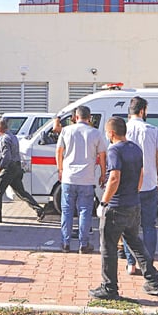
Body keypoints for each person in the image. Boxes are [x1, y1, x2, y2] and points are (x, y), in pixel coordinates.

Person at [88, 117, 158, 300]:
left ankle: (109, 287)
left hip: (116, 206)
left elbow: (114, 177)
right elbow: (141, 174)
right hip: (133, 204)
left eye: (107, 133)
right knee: (135, 242)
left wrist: (104, 202)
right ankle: (153, 280)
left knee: (108, 247)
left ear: (111, 133)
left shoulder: (114, 150)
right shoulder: (135, 149)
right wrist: (134, 193)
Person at [122, 96, 158, 274]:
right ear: (142, 111)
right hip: (148, 184)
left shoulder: (122, 130)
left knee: (128, 227)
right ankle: (147, 263)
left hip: (128, 186)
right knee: (149, 226)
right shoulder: (152, 129)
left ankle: (131, 263)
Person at [56, 105, 107, 253]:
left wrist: (60, 169)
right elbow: (102, 155)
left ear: (75, 117)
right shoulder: (95, 133)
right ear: (89, 118)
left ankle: (65, 243)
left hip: (68, 178)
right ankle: (83, 244)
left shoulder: (66, 131)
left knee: (66, 211)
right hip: (87, 178)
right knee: (84, 211)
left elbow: (59, 151)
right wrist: (103, 174)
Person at [0, 119, 45, 223]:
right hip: (17, 167)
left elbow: (6, 157)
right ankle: (39, 209)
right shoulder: (13, 137)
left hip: (8, 168)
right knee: (21, 192)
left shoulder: (4, 139)